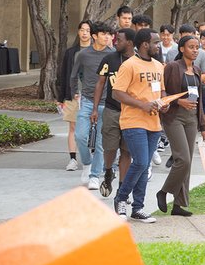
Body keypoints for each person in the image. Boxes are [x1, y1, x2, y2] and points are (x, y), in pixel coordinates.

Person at [112, 29, 165, 223]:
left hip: (154, 122)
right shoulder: (129, 65)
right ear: (144, 44)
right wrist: (142, 104)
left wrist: (163, 104)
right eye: (156, 43)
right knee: (141, 162)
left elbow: (161, 91)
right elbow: (117, 92)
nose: (158, 46)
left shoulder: (159, 66)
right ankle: (121, 198)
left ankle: (138, 208)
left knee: (145, 165)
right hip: (133, 121)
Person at [157, 35, 205, 216]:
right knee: (183, 159)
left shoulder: (196, 69)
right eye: (191, 47)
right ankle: (163, 192)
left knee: (188, 162)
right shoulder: (172, 67)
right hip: (174, 117)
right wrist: (180, 102)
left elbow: (199, 98)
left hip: (191, 118)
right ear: (181, 49)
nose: (195, 50)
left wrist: (202, 125)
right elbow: (166, 93)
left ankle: (178, 205)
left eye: (197, 47)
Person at [71, 21, 115, 189]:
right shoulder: (83, 54)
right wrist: (74, 92)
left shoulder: (112, 54)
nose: (107, 37)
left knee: (100, 142)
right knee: (80, 136)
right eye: (103, 34)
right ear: (94, 36)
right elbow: (74, 75)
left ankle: (95, 175)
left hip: (107, 102)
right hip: (88, 100)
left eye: (109, 34)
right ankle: (87, 162)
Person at [95, 28, 135, 197]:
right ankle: (109, 170)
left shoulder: (138, 62)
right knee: (110, 147)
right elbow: (100, 83)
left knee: (126, 151)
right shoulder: (109, 59)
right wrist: (96, 109)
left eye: (118, 40)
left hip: (131, 113)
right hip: (111, 110)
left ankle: (121, 188)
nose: (114, 42)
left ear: (130, 43)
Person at [58, 20, 92, 171]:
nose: (84, 33)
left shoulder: (96, 51)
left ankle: (90, 158)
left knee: (92, 128)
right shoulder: (71, 52)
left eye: (87, 30)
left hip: (91, 96)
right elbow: (64, 74)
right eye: (82, 30)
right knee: (73, 127)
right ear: (78, 32)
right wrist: (61, 98)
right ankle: (72, 159)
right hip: (74, 95)